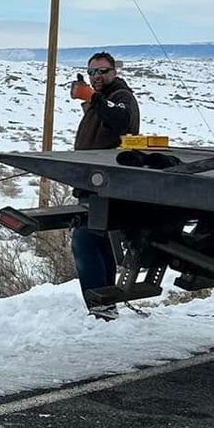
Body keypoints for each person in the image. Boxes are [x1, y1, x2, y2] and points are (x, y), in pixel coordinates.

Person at [68, 51, 140, 314]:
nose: (96, 77)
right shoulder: (106, 100)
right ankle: (106, 305)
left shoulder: (122, 97)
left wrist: (91, 97)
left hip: (108, 186)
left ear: (114, 72)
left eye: (102, 71)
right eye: (92, 72)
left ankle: (100, 306)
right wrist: (90, 102)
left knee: (85, 240)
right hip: (94, 184)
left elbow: (121, 121)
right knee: (98, 242)